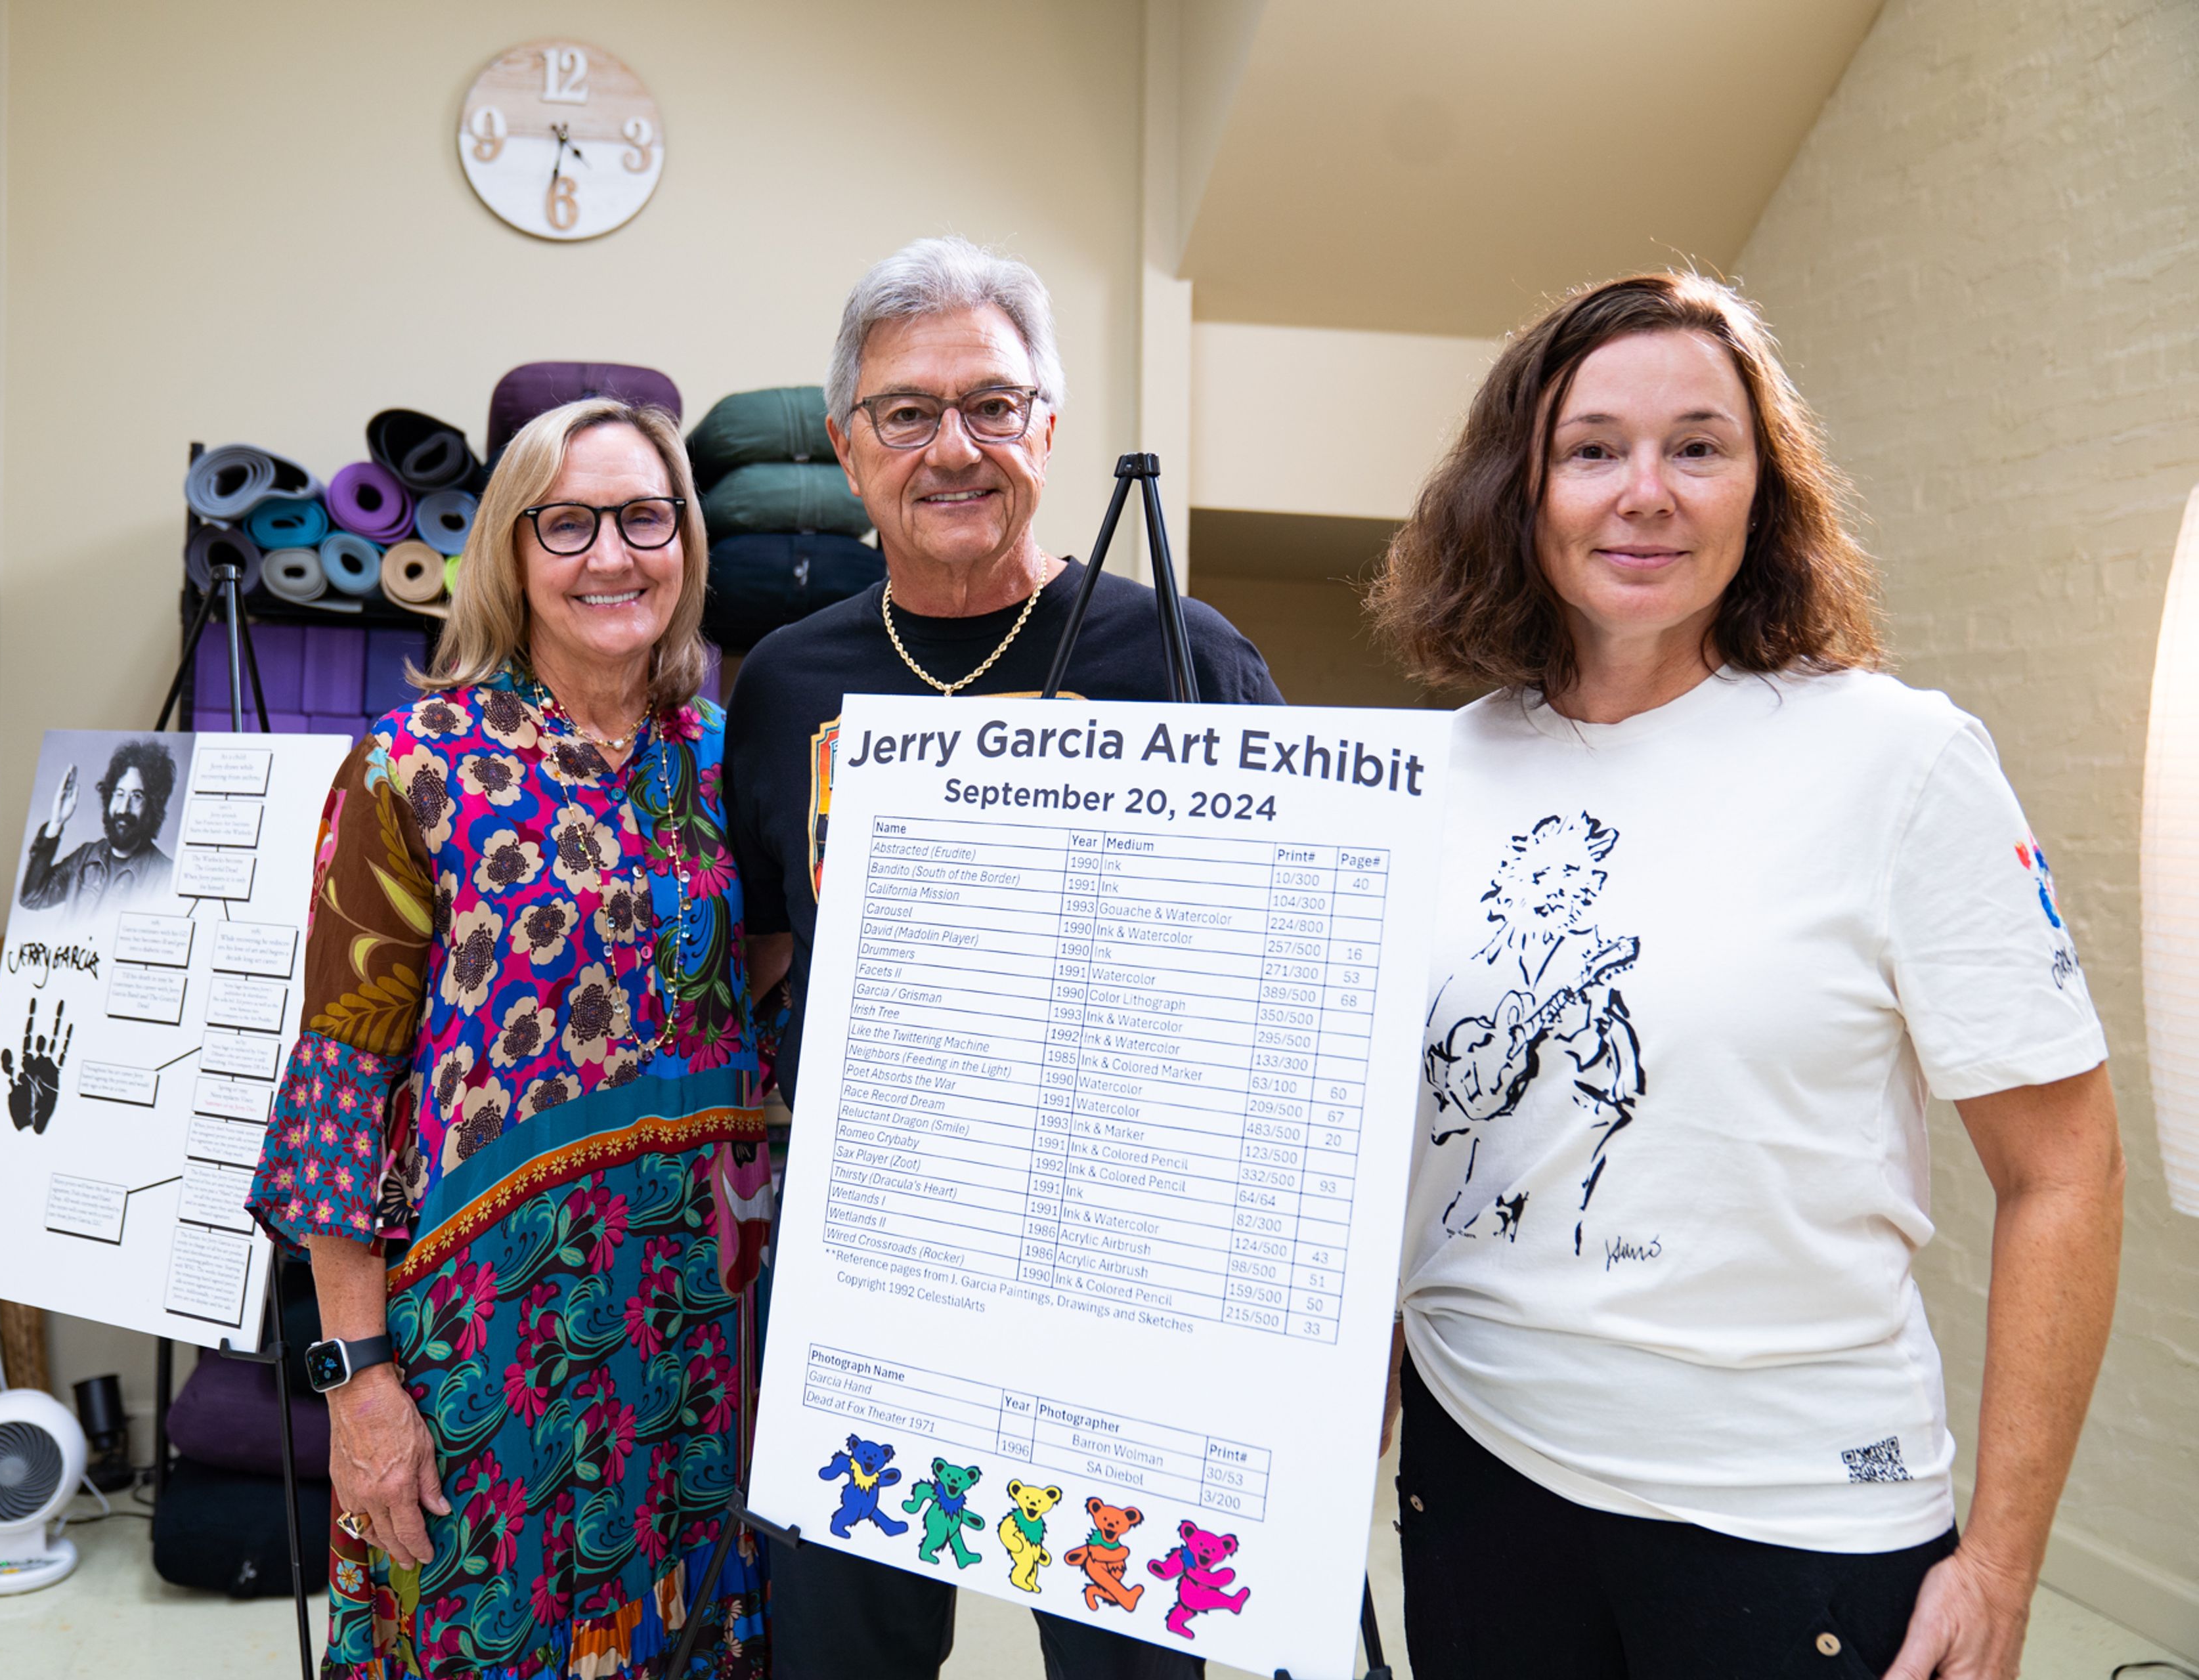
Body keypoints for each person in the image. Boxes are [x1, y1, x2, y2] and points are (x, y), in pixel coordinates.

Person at [1368, 272, 2124, 1680]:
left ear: (1762, 492)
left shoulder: (1897, 760)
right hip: (1481, 1486)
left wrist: (2004, 1565)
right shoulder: (1433, 775)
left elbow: (2065, 1166)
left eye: (1698, 446)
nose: (1643, 491)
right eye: (1592, 449)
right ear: (1517, 490)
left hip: (1793, 1516)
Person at [724, 235, 1282, 1680]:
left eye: (993, 403)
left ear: (1050, 425)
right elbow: (769, 941)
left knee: (1128, 1664)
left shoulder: (1184, 656)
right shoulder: (786, 680)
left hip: (1118, 1288)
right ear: (849, 449)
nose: (951, 447)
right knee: (842, 1652)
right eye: (907, 412)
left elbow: (1279, 970)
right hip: (869, 1277)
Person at [245, 398, 770, 1679]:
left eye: (646, 517)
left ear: (686, 543)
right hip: (487, 1345)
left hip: (701, 1341)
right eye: (569, 522)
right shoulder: (413, 767)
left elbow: (759, 979)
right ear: (511, 551)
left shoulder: (728, 758)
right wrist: (357, 1378)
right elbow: (337, 1086)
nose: (613, 554)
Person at [18, 737, 177, 918]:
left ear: (153, 806)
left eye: (137, 796)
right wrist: (57, 822)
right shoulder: (86, 857)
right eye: (119, 794)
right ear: (109, 798)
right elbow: (32, 899)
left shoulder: (166, 877)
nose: (124, 808)